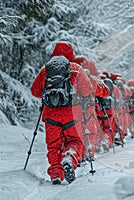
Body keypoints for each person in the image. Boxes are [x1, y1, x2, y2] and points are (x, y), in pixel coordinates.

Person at [30, 41, 93, 184]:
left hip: (51, 114)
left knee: (53, 145)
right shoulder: (75, 68)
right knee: (75, 140)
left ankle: (56, 174)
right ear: (71, 53)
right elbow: (87, 90)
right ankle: (70, 158)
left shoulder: (46, 69)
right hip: (72, 114)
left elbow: (35, 91)